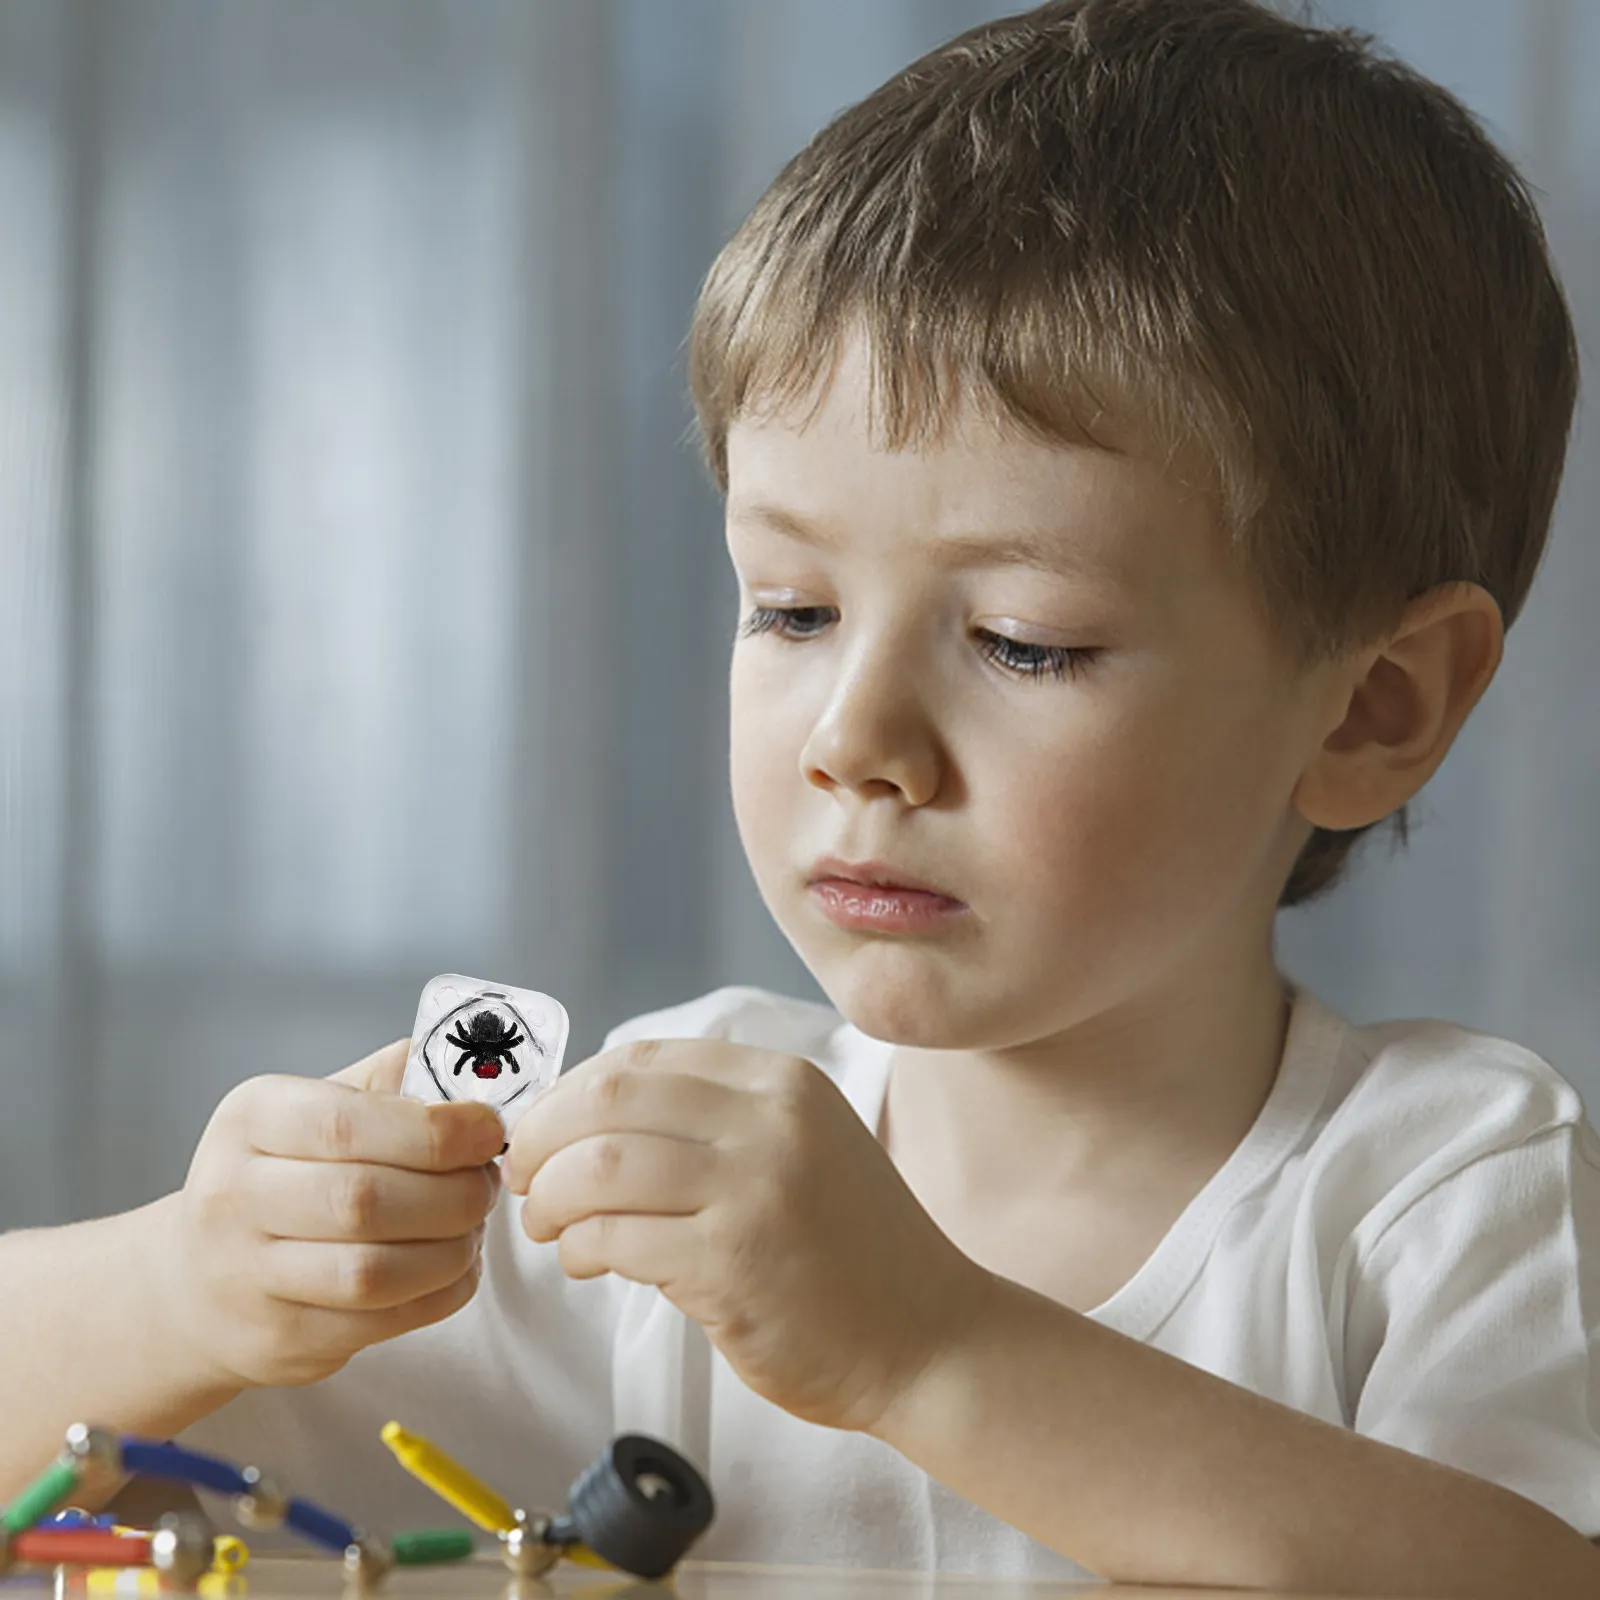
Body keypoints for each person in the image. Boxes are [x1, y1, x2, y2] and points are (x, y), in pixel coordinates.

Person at [4, 1, 1599, 1592]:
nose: (855, 737)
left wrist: (926, 1351)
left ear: (1376, 706)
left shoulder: (1445, 1189)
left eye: (1022, 642)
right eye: (791, 608)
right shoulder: (653, 1166)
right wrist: (187, 1282)